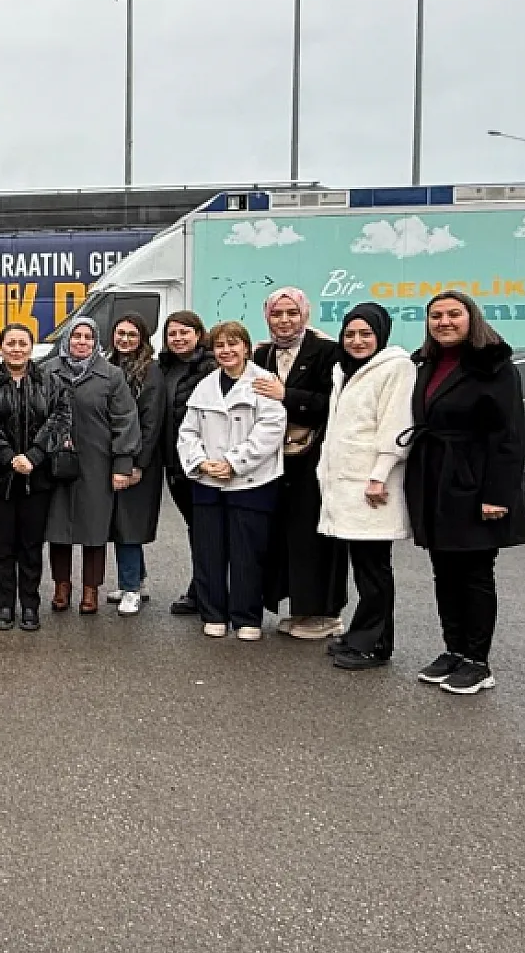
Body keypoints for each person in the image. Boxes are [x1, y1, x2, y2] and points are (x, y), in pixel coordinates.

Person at [404, 291, 525, 695]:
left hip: (474, 481)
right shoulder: (426, 363)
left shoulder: (495, 366)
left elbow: (509, 436)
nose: (444, 322)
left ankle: (479, 660)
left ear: (470, 318)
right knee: (444, 571)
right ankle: (454, 650)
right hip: (435, 479)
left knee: (474, 573)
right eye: (436, 315)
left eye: (453, 314)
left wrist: (497, 494)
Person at [315, 303, 414, 671]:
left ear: (381, 335)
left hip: (373, 487)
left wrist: (380, 475)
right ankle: (363, 634)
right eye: (350, 334)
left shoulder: (396, 368)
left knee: (375, 571)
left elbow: (396, 425)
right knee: (364, 568)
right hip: (348, 484)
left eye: (365, 334)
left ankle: (374, 645)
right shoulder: (346, 369)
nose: (357, 341)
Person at [177, 321, 287, 641]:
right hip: (208, 481)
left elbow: (271, 429)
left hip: (252, 482)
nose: (226, 351)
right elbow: (188, 432)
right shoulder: (205, 386)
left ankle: (246, 616)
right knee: (209, 552)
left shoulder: (263, 382)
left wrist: (234, 463)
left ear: (246, 348)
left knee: (247, 553)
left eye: (233, 344)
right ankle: (214, 614)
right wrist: (202, 463)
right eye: (220, 346)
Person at [252, 287, 348, 640]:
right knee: (286, 539)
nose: (284, 320)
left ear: (305, 315)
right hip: (276, 462)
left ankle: (327, 613)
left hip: (315, 462)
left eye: (292, 313)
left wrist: (287, 396)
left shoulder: (327, 353)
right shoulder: (261, 356)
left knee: (317, 538)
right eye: (277, 314)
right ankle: (301, 609)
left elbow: (336, 402)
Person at [0, 324, 71, 631]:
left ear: (31, 347)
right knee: (3, 545)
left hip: (36, 479)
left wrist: (34, 456)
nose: (16, 348)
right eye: (10, 343)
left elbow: (59, 420)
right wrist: (9, 458)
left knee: (30, 545)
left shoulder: (52, 383)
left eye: (22, 343)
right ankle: (4, 606)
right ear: (0, 348)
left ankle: (29, 605)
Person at [43, 317, 139, 616]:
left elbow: (125, 420)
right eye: (76, 336)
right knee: (57, 528)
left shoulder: (111, 376)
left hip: (97, 463)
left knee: (94, 529)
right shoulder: (47, 371)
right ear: (67, 339)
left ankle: (90, 590)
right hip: (55, 463)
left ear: (96, 342)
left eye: (87, 337)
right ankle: (61, 587)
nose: (81, 342)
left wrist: (123, 464)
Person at [107, 314, 166, 616]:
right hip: (115, 456)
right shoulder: (109, 366)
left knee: (129, 523)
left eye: (132, 334)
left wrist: (137, 464)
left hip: (140, 459)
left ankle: (130, 588)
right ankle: (135, 580)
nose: (125, 340)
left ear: (142, 338)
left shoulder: (150, 372)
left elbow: (151, 422)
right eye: (121, 333)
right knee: (120, 521)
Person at [158, 311, 215, 615]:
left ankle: (206, 593)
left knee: (208, 529)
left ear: (198, 334)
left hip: (202, 465)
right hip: (173, 464)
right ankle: (203, 586)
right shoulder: (163, 368)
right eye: (172, 334)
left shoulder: (210, 367)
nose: (178, 338)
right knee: (196, 528)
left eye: (184, 332)